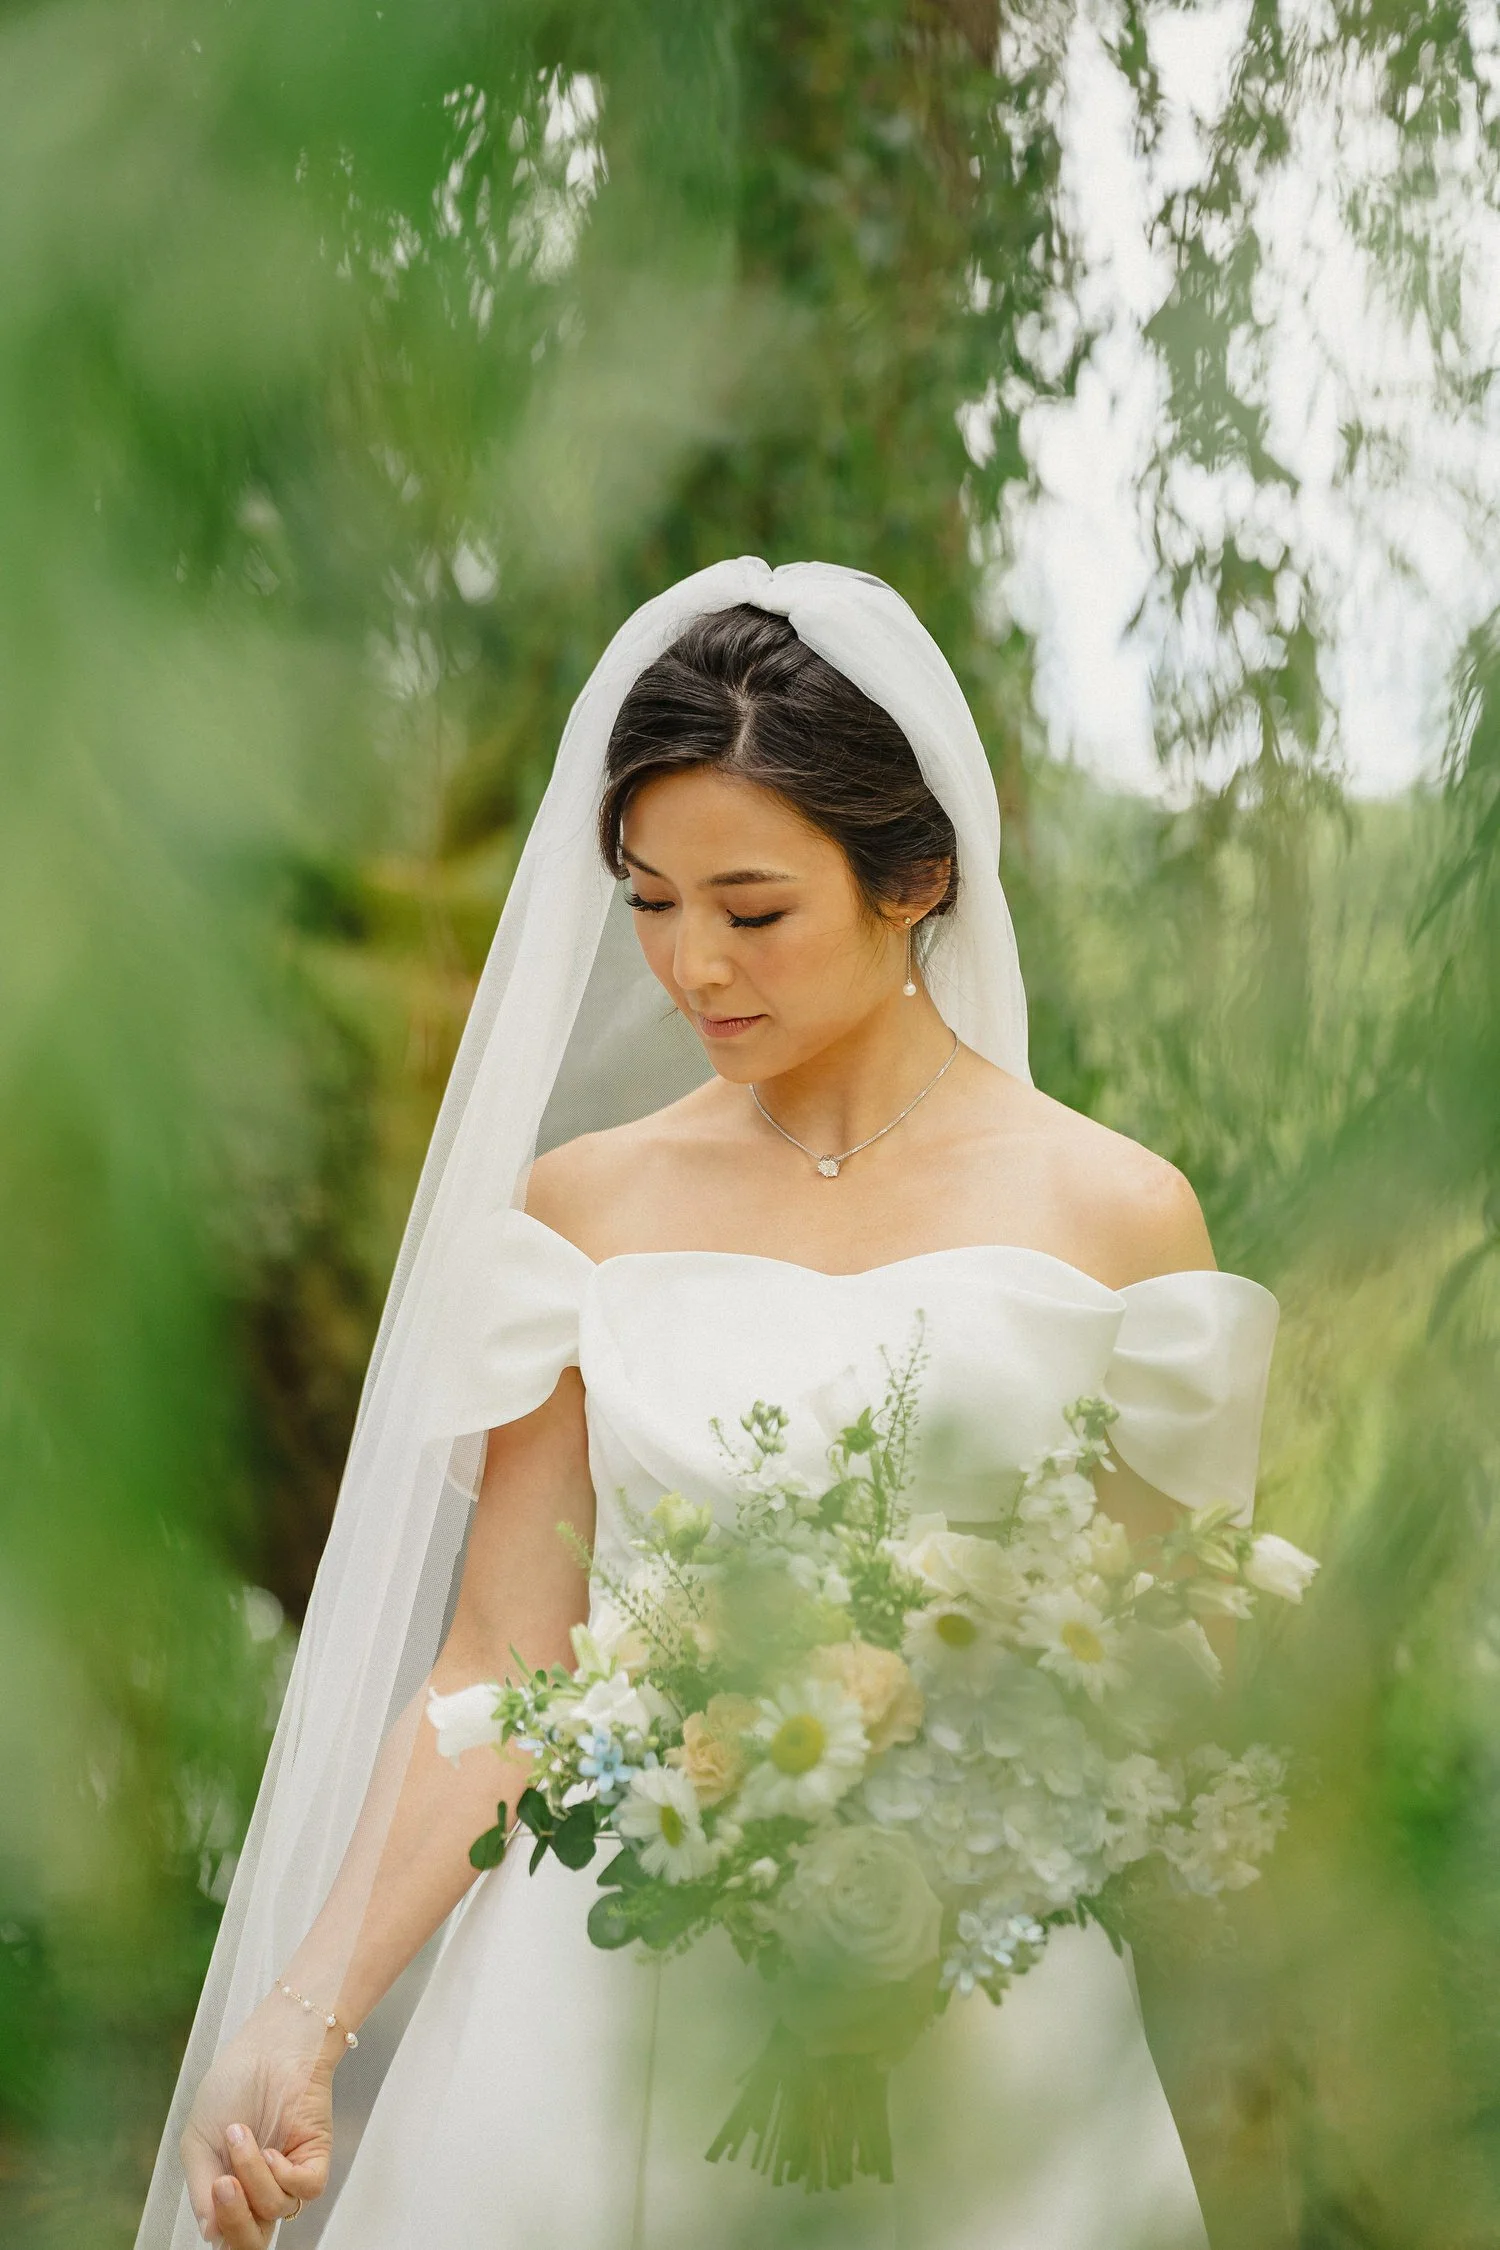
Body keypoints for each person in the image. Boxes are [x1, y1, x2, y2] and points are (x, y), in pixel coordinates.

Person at [143, 562, 1277, 2250]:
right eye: (650, 901)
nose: (692, 964)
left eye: (752, 909)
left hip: (963, 1989)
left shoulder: (1116, 1216)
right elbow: (502, 1664)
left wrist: (936, 1690)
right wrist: (304, 2014)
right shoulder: (583, 1207)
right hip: (595, 1972)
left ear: (917, 879)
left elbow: (1191, 1651)